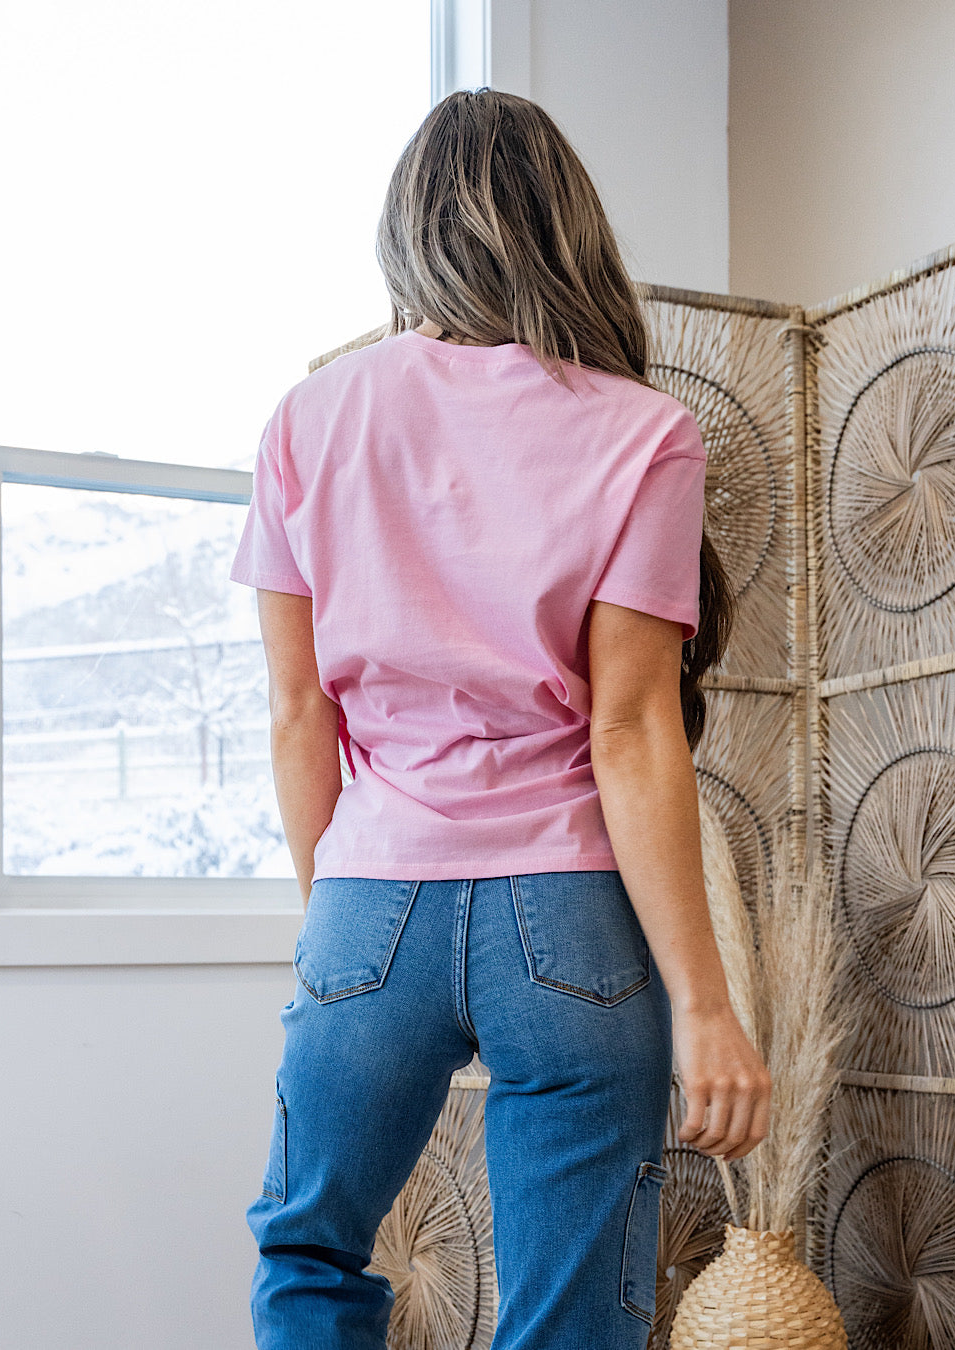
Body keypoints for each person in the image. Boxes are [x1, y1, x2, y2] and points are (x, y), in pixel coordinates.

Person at [228, 86, 771, 1350]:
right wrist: (705, 1005)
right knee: (574, 1314)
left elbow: (297, 710)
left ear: (408, 234)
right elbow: (632, 729)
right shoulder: (646, 432)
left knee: (311, 1252)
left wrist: (339, 921)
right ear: (566, 228)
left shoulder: (309, 418)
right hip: (571, 918)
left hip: (369, 900)